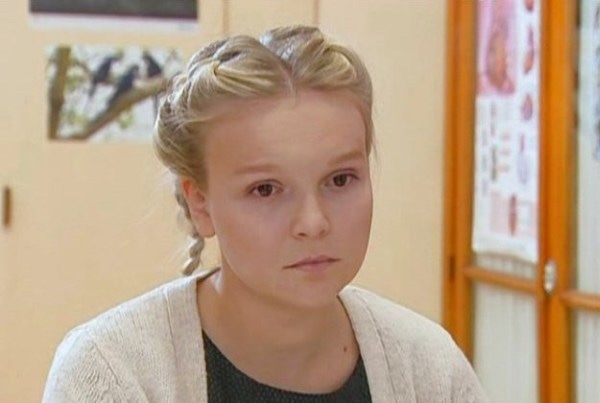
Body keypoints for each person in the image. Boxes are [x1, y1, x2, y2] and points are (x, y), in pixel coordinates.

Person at [43, 25, 487, 402]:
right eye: (265, 189)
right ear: (200, 203)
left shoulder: (429, 369)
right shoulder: (114, 373)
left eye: (340, 179)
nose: (313, 222)